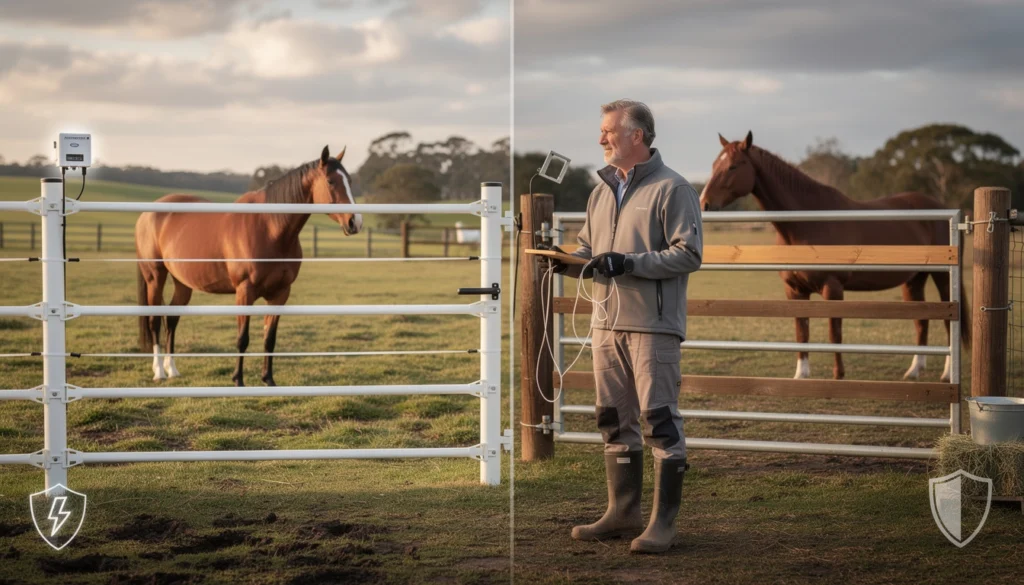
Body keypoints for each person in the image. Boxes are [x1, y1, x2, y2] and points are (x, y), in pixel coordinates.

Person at [542, 99, 703, 553]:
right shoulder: (600, 192)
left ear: (637, 135)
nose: (601, 139)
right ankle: (622, 513)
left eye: (608, 131)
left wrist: (628, 262)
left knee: (660, 420)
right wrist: (563, 262)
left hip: (654, 326)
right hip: (605, 324)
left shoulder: (674, 188)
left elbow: (688, 254)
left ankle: (662, 525)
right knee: (612, 418)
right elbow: (591, 251)